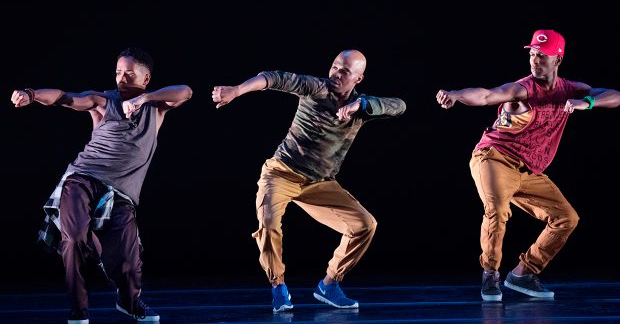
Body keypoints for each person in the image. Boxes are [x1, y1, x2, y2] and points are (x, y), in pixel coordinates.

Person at [212, 49, 406, 312]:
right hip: (281, 173)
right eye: (335, 67)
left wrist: (362, 104)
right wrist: (237, 90)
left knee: (365, 225)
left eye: (345, 71)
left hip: (319, 183)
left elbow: (399, 106)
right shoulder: (317, 88)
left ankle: (329, 284)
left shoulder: (361, 107)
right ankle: (278, 287)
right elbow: (273, 78)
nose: (337, 74)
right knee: (268, 224)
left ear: (358, 79)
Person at [436, 29, 620, 302]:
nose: (535, 60)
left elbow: (615, 95)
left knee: (566, 218)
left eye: (542, 56)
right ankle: (490, 274)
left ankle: (523, 273)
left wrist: (588, 102)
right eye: (532, 54)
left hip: (528, 170)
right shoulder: (522, 90)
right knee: (497, 210)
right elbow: (487, 95)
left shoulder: (570, 90)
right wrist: (455, 94)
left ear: (557, 60)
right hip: (494, 158)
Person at [11, 47, 192, 324]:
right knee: (73, 237)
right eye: (118, 72)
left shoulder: (156, 108)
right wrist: (32, 95)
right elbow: (65, 98)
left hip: (122, 193)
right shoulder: (104, 102)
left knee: (129, 261)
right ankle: (78, 308)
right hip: (83, 179)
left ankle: (129, 301)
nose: (121, 78)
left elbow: (186, 91)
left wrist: (145, 99)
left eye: (129, 74)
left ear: (146, 79)